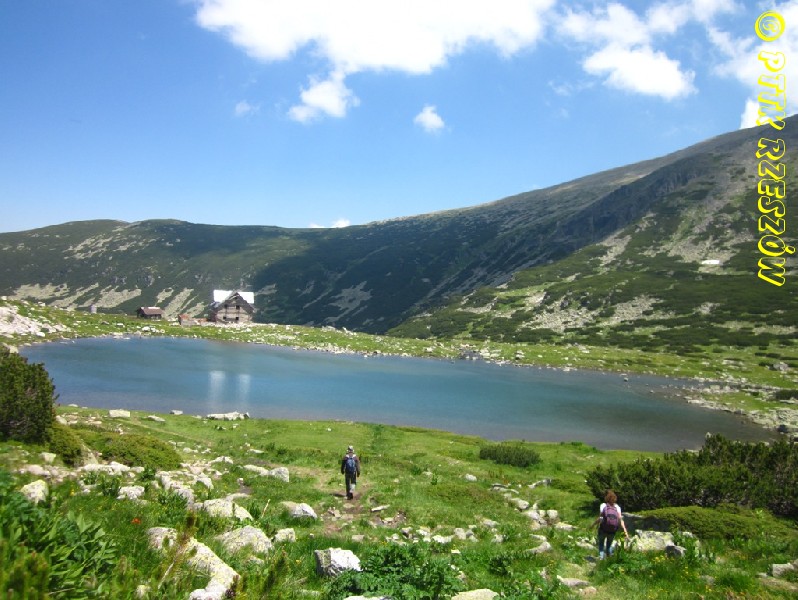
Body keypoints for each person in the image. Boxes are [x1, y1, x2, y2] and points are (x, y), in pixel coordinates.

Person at [593, 489, 628, 559]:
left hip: (603, 529)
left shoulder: (603, 505)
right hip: (612, 530)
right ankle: (609, 559)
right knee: (609, 546)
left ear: (606, 498)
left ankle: (601, 559)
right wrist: (625, 531)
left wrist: (593, 525)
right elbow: (620, 520)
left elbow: (600, 518)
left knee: (601, 544)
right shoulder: (617, 508)